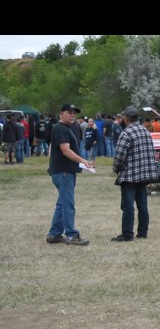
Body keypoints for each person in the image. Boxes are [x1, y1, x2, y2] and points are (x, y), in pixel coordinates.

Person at [46, 103, 94, 246]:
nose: (73, 115)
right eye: (69, 112)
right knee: (68, 204)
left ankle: (54, 234)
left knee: (62, 203)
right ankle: (72, 235)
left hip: (63, 171)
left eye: (74, 113)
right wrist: (82, 160)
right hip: (64, 172)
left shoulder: (65, 128)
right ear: (61, 114)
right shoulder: (61, 129)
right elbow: (65, 150)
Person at [111, 105, 157, 241]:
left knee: (128, 205)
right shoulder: (145, 131)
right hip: (144, 175)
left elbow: (119, 155)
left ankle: (127, 234)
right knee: (142, 205)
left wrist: (116, 168)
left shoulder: (127, 133)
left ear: (127, 118)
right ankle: (142, 233)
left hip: (130, 175)